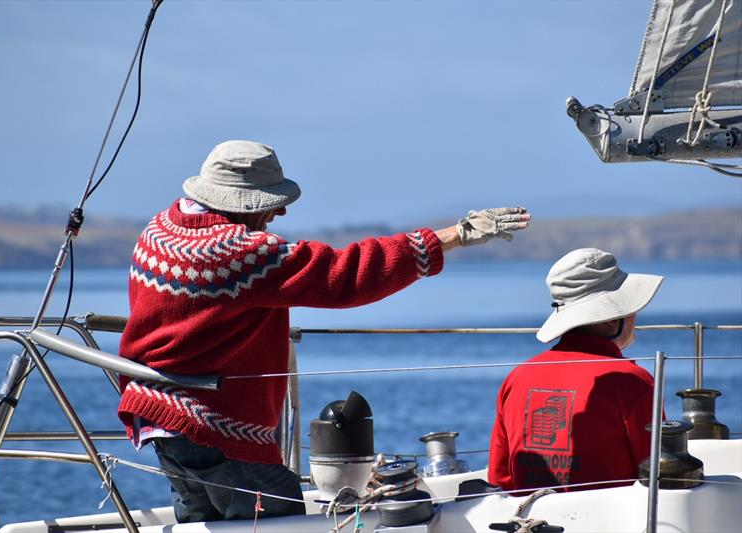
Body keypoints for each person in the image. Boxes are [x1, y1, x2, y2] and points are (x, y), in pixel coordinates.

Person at [117, 139, 531, 523]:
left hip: (159, 417)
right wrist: (453, 236)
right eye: (271, 203)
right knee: (283, 523)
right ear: (241, 203)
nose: (279, 214)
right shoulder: (237, 253)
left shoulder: (161, 229)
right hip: (210, 423)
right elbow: (344, 274)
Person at [488, 248, 663, 492]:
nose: (636, 317)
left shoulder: (518, 377)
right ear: (612, 320)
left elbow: (500, 479)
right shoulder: (632, 381)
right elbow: (659, 474)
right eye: (631, 308)